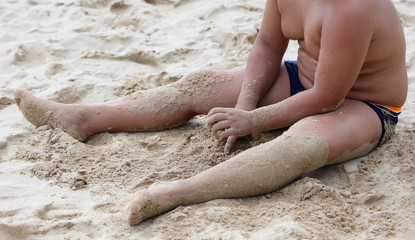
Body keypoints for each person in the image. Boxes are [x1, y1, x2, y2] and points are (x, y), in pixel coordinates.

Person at [14, 0, 407, 226]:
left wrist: (253, 122)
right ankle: (84, 118)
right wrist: (244, 105)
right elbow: (269, 46)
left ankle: (179, 193)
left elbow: (326, 98)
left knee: (297, 147)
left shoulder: (352, 9)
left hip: (363, 104)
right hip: (303, 76)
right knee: (199, 84)